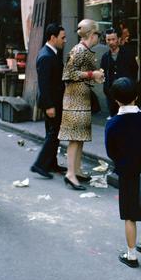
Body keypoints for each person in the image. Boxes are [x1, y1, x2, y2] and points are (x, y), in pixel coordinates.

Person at [105, 77, 141, 268]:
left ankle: (131, 255)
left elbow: (111, 152)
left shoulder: (113, 124)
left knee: (130, 216)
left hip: (128, 175)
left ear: (115, 100)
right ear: (137, 97)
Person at [59, 18, 105, 190]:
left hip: (79, 97)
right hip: (75, 99)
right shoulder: (79, 50)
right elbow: (68, 74)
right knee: (75, 138)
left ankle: (76, 170)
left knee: (80, 138)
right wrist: (92, 74)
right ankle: (71, 173)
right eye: (98, 34)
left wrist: (94, 75)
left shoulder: (82, 50)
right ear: (92, 34)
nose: (99, 37)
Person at [30, 23, 67, 179]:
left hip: (54, 100)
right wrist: (50, 105)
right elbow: (44, 84)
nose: (64, 40)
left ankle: (51, 164)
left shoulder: (51, 53)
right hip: (51, 102)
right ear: (53, 38)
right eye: (62, 37)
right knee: (54, 134)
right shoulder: (46, 56)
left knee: (52, 133)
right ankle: (39, 164)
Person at [100, 27, 139, 117]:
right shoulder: (105, 57)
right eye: (108, 40)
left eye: (113, 39)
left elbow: (134, 70)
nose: (111, 42)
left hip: (127, 93)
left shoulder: (128, 54)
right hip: (111, 95)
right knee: (114, 117)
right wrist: (106, 89)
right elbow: (103, 74)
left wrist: (131, 86)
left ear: (118, 39)